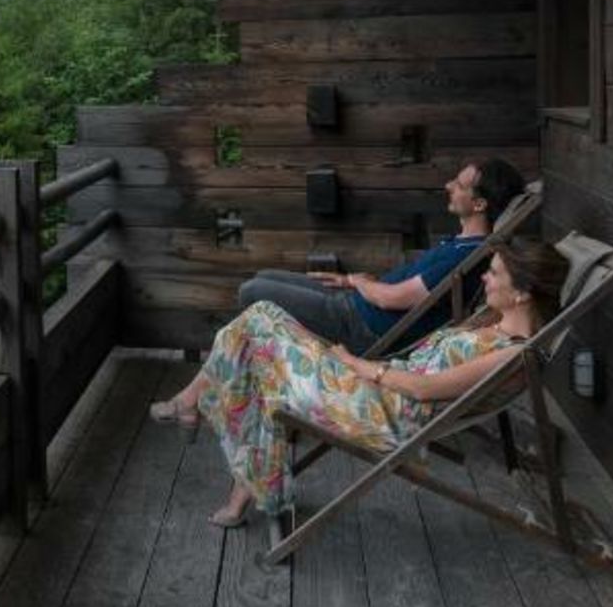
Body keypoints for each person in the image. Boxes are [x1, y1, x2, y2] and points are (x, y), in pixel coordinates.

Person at [151, 237, 570, 526]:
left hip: (379, 411)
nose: (484, 278)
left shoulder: (514, 353)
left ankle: (201, 417)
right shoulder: (494, 326)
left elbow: (424, 389)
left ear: (523, 293)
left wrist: (358, 364)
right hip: (373, 391)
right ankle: (241, 475)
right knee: (259, 333)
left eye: (494, 274)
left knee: (259, 322)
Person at [233, 156, 529, 354]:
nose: (448, 186)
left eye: (459, 185)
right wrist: (352, 282)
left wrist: (359, 283)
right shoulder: (460, 244)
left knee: (253, 290)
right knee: (264, 276)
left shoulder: (464, 259)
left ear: (479, 204)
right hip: (356, 302)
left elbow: (392, 299)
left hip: (361, 326)